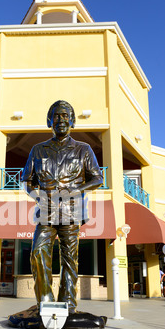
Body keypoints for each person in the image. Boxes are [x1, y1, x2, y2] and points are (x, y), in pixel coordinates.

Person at [22, 100, 103, 315]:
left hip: (72, 211)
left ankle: (68, 303)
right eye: (56, 116)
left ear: (73, 121)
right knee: (38, 252)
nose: (61, 120)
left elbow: (97, 178)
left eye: (66, 116)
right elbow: (26, 181)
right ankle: (45, 301)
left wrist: (77, 189)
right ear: (49, 120)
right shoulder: (37, 150)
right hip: (46, 211)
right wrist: (36, 195)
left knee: (69, 259)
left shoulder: (83, 149)